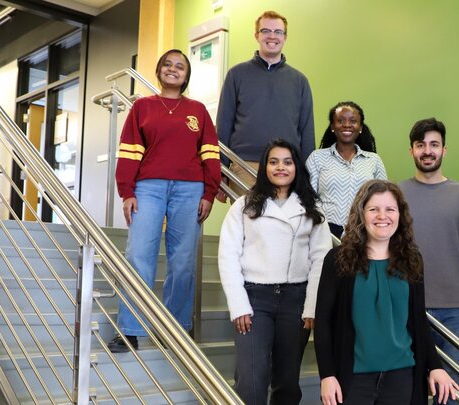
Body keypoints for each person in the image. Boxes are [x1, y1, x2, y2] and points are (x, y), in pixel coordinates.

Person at [107, 49, 221, 353]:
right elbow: (129, 151)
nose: (173, 69)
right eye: (167, 65)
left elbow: (210, 153)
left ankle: (174, 329)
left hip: (190, 190)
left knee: (182, 262)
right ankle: (130, 329)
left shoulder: (197, 110)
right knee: (138, 256)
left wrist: (209, 192)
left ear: (186, 75)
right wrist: (127, 192)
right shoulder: (142, 107)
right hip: (148, 188)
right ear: (159, 71)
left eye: (179, 66)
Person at [315, 180, 459, 405]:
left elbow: (418, 320)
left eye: (390, 209)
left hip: (403, 375)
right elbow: (323, 322)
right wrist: (327, 375)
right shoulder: (337, 260)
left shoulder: (412, 261)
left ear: (400, 215)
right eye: (374, 209)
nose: (383, 216)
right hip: (353, 378)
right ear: (361, 214)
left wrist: (435, 366)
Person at [218, 139, 332, 405]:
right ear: (265, 168)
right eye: (273, 161)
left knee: (288, 381)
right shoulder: (244, 206)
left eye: (288, 162)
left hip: (296, 301)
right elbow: (228, 256)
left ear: (297, 168)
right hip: (254, 300)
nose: (281, 167)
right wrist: (238, 305)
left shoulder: (312, 211)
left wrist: (311, 307)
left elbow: (321, 261)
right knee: (251, 381)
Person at [399, 118, 459, 403]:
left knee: (448, 396)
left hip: (454, 312)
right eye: (421, 145)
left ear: (444, 150)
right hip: (406, 308)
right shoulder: (395, 194)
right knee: (408, 390)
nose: (427, 150)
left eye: (434, 144)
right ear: (411, 151)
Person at [216, 10, 314, 201]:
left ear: (285, 37)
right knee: (248, 225)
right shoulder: (236, 75)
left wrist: (306, 173)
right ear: (257, 35)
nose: (272, 36)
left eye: (278, 32)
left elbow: (307, 131)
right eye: (266, 31)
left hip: (286, 167)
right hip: (244, 165)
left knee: (283, 228)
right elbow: (224, 126)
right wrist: (221, 170)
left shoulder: (299, 80)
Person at [305, 101, 387, 237]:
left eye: (353, 121)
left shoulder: (374, 160)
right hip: (325, 232)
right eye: (340, 120)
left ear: (360, 127)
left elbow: (382, 199)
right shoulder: (317, 158)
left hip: (364, 231)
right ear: (332, 126)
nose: (347, 124)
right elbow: (308, 197)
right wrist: (323, 227)